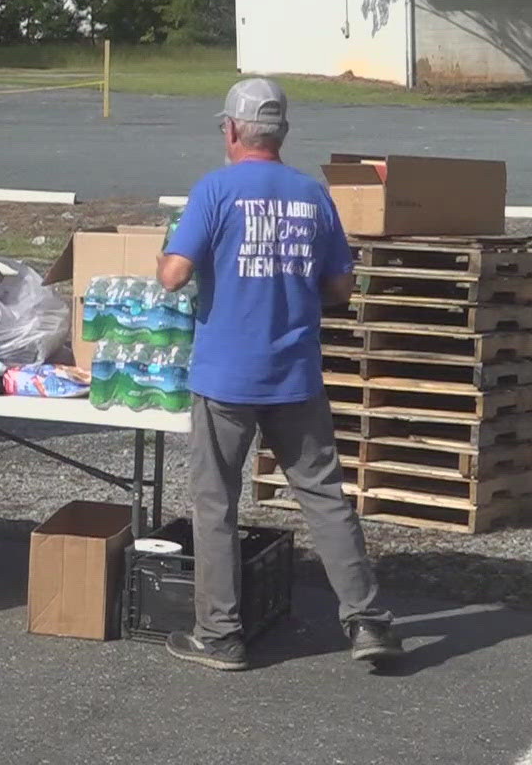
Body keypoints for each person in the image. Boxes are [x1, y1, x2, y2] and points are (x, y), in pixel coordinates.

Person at [157, 78, 404, 671]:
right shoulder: (312, 195)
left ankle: (219, 634)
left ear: (232, 130)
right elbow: (342, 287)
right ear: (282, 134)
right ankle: (367, 620)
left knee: (215, 502)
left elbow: (172, 275)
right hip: (295, 372)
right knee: (323, 495)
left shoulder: (215, 191)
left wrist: (171, 255)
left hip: (224, 378)